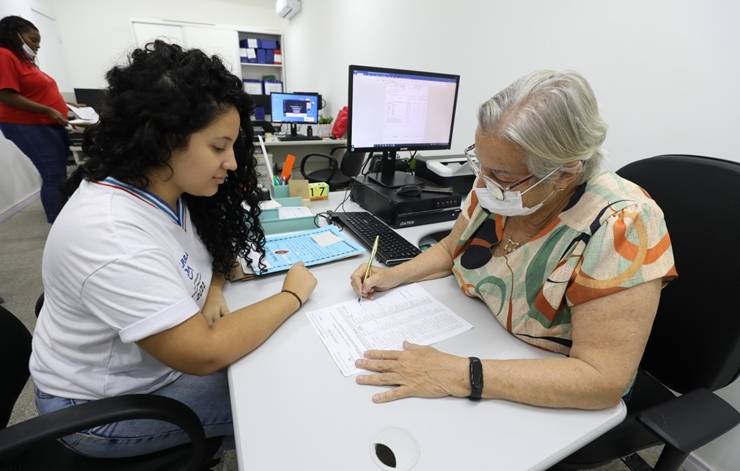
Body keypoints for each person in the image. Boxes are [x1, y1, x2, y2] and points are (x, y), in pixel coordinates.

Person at [29, 40, 317, 459]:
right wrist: (292, 294)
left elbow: (206, 256)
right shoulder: (111, 231)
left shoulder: (168, 188)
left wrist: (214, 289)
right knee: (282, 406)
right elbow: (204, 351)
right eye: (219, 147)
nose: (232, 163)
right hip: (100, 410)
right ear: (164, 139)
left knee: (278, 368)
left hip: (152, 371)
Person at [350, 70, 677, 410]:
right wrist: (391, 275)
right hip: (479, 336)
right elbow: (450, 249)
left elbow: (603, 380)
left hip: (539, 383)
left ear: (564, 174)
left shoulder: (623, 224)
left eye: (501, 174)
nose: (483, 181)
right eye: (481, 164)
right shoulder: (496, 187)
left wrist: (461, 373)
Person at [0, 15, 69, 223]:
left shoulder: (25, 61)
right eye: (33, 40)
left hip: (46, 124)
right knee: (53, 175)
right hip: (28, 125)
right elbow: (5, 94)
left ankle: (64, 218)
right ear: (16, 35)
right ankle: (57, 223)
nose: (37, 46)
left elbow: (38, 91)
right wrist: (48, 110)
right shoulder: (4, 55)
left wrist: (67, 106)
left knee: (58, 174)